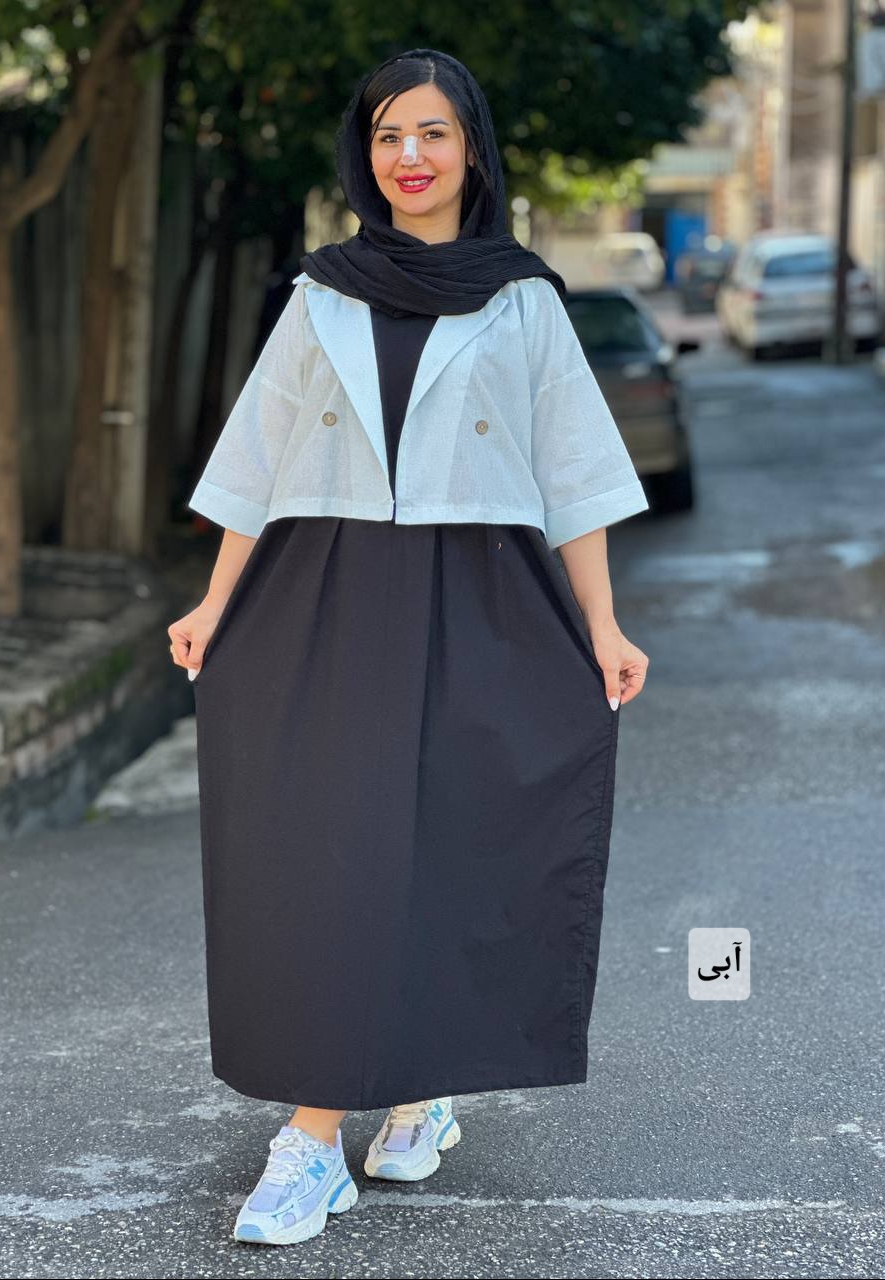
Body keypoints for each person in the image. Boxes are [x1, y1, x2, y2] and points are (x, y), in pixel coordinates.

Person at [167, 48, 650, 1248]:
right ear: (365, 154)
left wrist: (601, 621)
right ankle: (314, 1135)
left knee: (454, 842)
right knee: (327, 853)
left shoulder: (522, 298)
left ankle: (411, 1093)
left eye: (432, 132)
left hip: (480, 594)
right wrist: (214, 603)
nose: (410, 156)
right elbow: (255, 462)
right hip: (322, 593)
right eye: (388, 135)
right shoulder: (321, 293)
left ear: (471, 149)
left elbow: (576, 472)